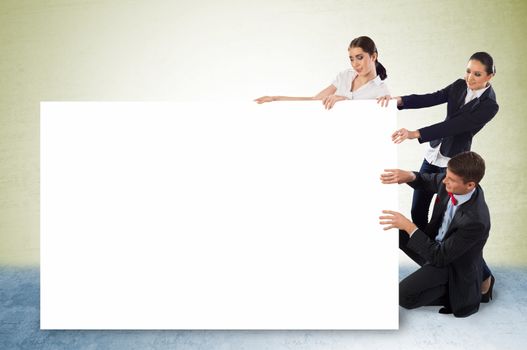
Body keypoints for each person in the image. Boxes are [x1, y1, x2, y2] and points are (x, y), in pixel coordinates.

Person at [377, 52, 498, 232]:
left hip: (453, 163)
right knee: (417, 210)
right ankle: (423, 254)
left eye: (477, 74)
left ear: (490, 76)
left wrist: (414, 133)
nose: (470, 78)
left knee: (438, 218)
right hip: (433, 155)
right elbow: (433, 97)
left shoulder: (489, 106)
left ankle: (436, 256)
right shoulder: (459, 85)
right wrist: (400, 101)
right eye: (468, 71)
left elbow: (454, 126)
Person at [379, 151, 495, 317]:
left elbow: (440, 257)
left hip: (448, 262)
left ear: (470, 185)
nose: (444, 181)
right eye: (446, 175)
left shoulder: (475, 221)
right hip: (436, 247)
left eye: (451, 180)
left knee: (403, 297)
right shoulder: (453, 182)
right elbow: (429, 180)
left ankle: (457, 291)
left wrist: (409, 226)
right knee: (393, 231)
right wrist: (409, 176)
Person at [254, 36, 389, 110]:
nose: (355, 64)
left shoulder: (381, 91)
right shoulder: (345, 76)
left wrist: (345, 101)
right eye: (351, 59)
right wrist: (275, 98)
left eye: (360, 57)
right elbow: (314, 100)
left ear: (373, 56)